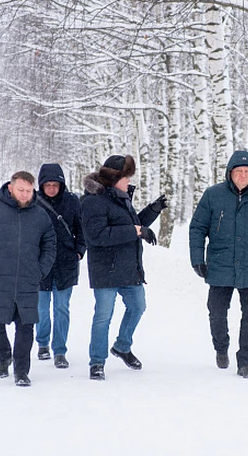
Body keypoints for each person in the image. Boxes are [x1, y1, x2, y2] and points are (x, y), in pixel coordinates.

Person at [189, 150, 248, 379]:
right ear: (230, 173)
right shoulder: (213, 195)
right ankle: (221, 347)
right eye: (239, 171)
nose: (243, 175)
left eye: (247, 171)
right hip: (220, 264)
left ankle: (246, 362)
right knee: (216, 312)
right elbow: (197, 228)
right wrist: (197, 260)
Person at [81, 154, 168, 381]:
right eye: (126, 177)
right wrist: (136, 231)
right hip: (105, 268)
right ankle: (97, 362)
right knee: (103, 316)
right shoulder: (94, 201)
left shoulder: (122, 197)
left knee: (138, 306)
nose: (129, 181)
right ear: (114, 178)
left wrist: (152, 210)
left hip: (128, 267)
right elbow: (96, 235)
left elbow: (131, 224)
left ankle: (122, 346)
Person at [0, 171, 56, 387]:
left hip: (28, 279)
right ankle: (4, 357)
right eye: (21, 190)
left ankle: (22, 371)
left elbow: (50, 244)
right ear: (10, 188)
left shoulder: (40, 215)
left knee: (25, 326)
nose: (25, 194)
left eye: (29, 190)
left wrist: (40, 269)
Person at [34, 163, 86, 369]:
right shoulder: (33, 202)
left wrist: (79, 251)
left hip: (66, 263)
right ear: (41, 185)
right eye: (48, 185)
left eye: (55, 185)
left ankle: (60, 350)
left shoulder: (72, 201)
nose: (51, 188)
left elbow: (81, 229)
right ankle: (42, 343)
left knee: (62, 308)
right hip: (41, 264)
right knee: (41, 308)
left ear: (61, 185)